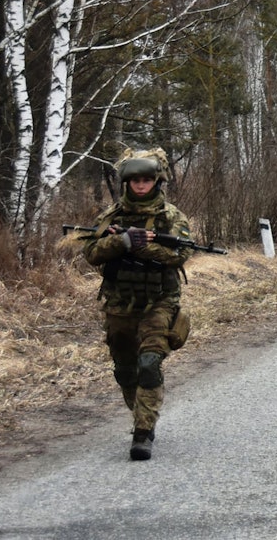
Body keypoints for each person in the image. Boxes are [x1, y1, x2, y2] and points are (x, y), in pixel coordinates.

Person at [82, 148, 192, 461]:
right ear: (126, 183)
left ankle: (143, 431)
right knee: (126, 370)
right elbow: (91, 253)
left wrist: (145, 248)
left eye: (146, 180)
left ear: (156, 182)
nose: (140, 186)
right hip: (119, 303)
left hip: (160, 301)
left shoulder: (171, 217)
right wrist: (123, 241)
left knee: (149, 364)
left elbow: (180, 256)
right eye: (135, 181)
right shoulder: (112, 216)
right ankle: (140, 414)